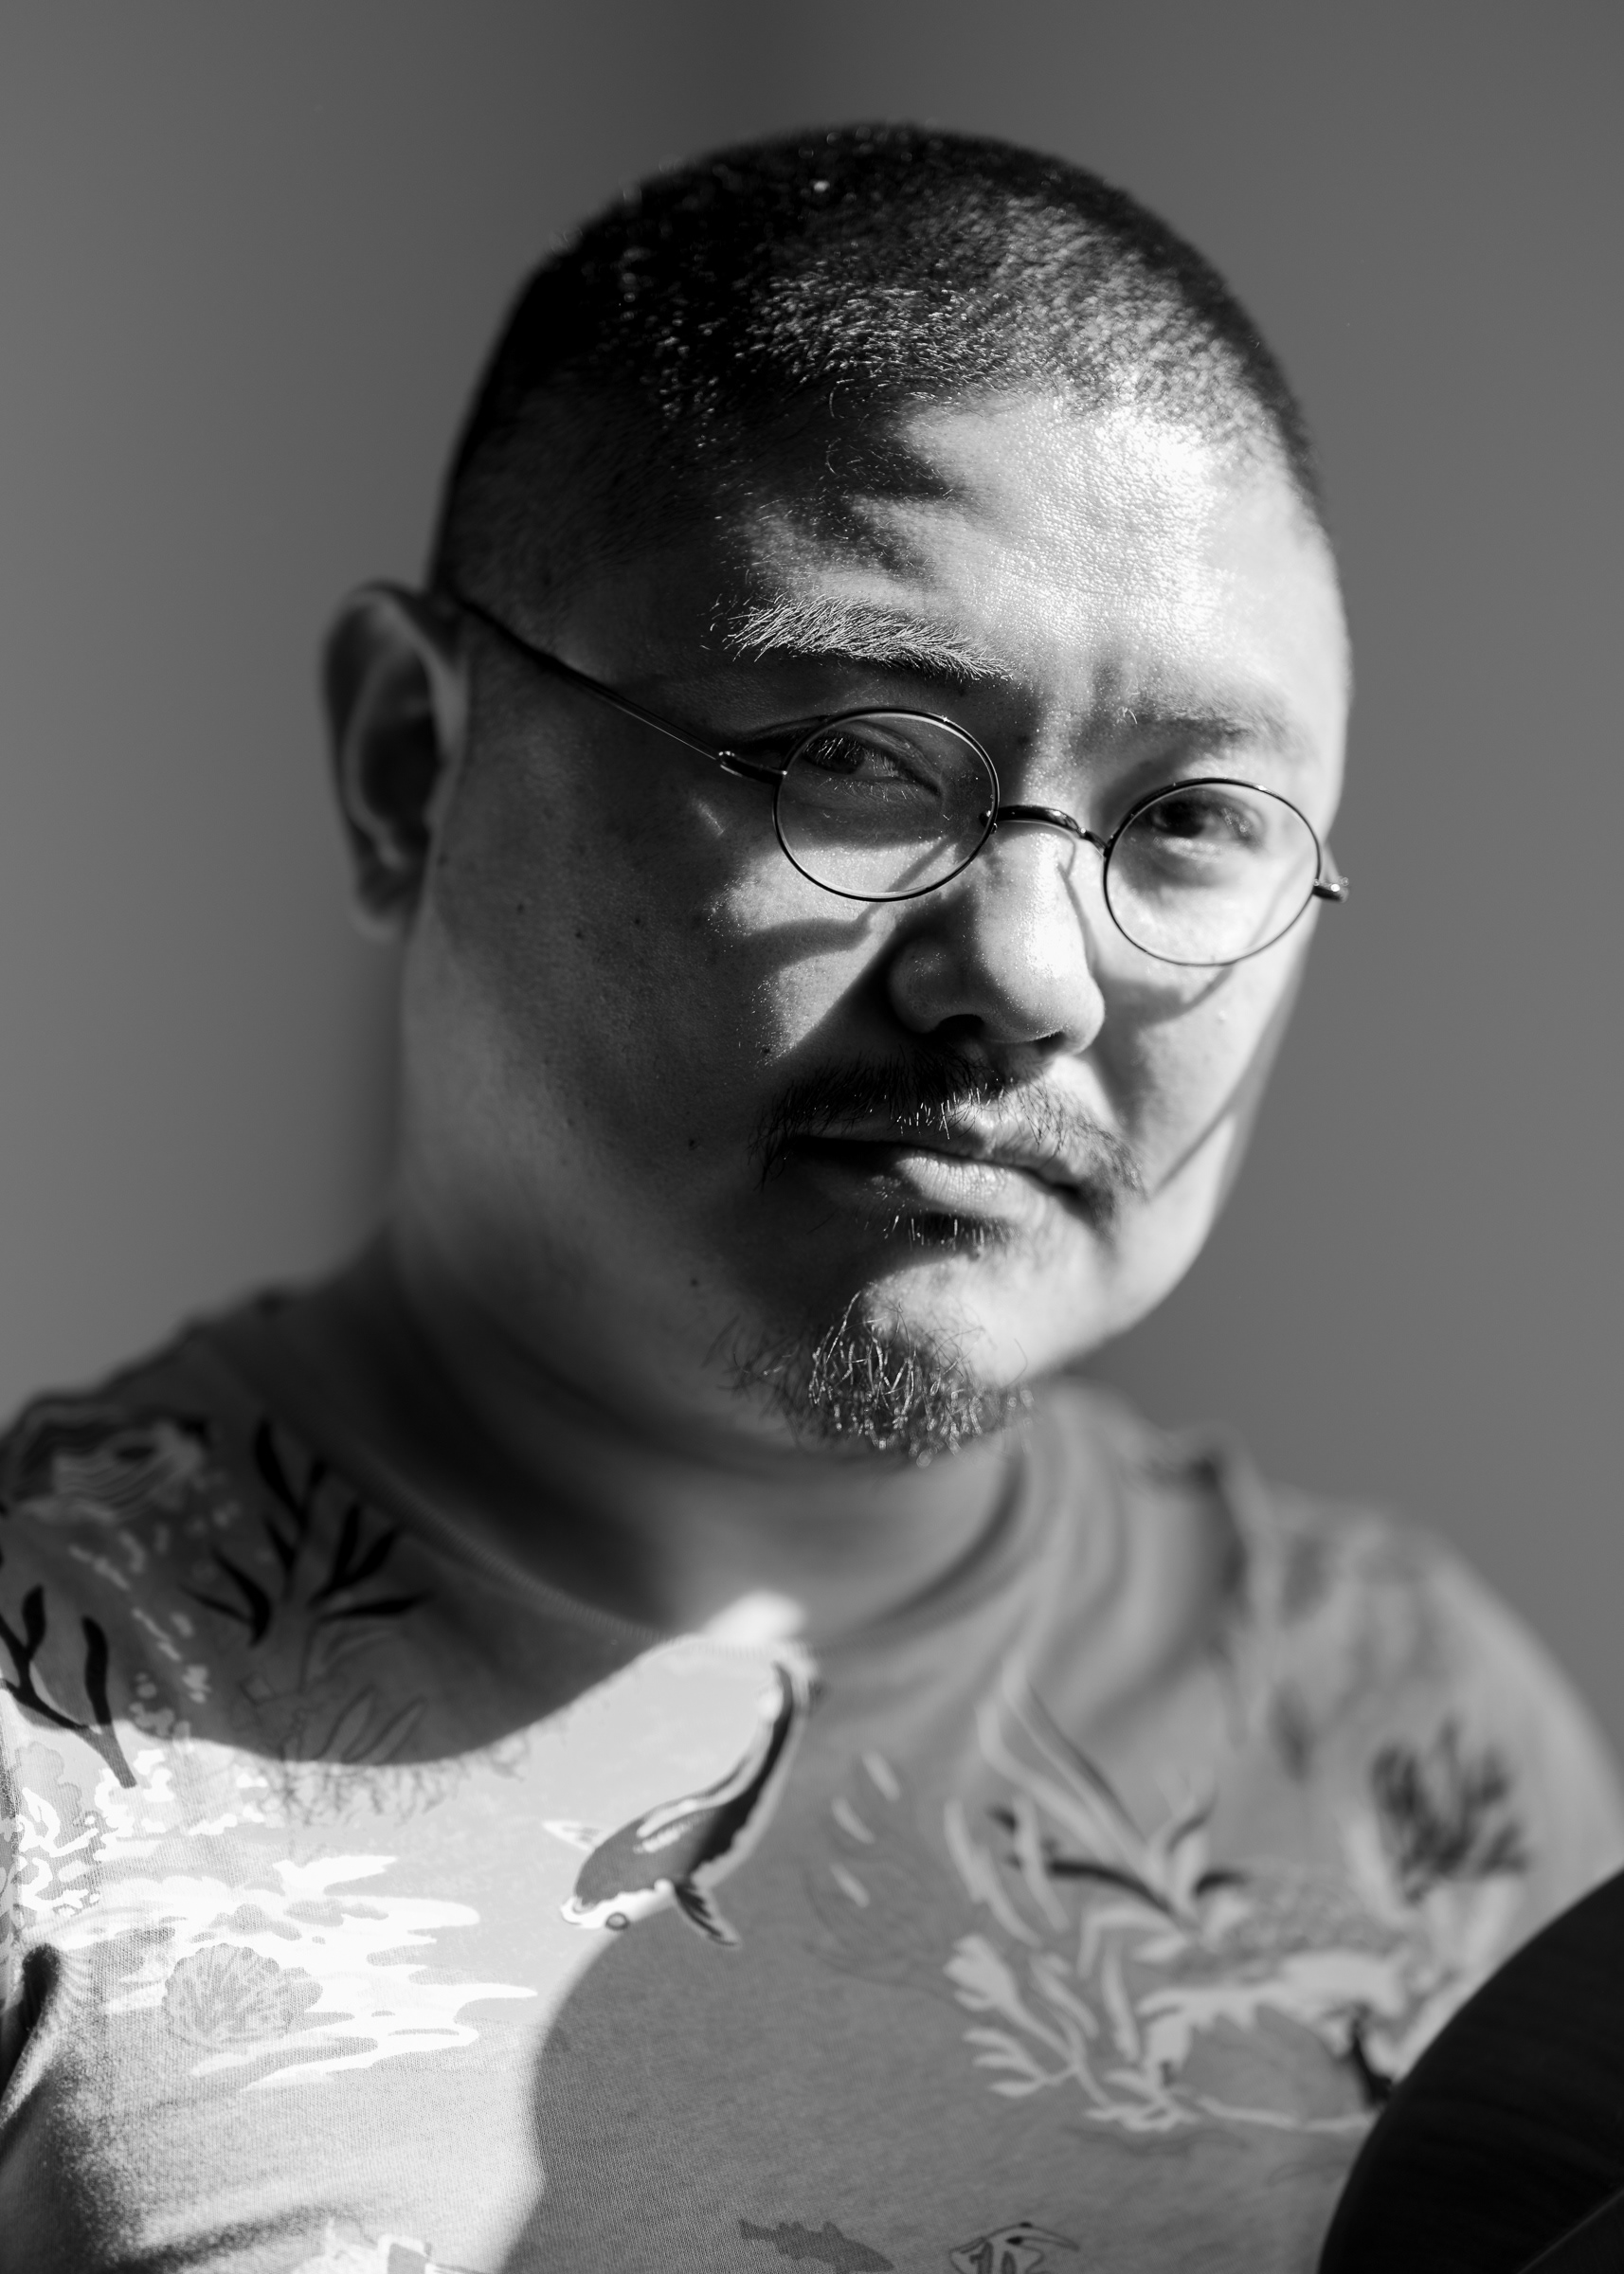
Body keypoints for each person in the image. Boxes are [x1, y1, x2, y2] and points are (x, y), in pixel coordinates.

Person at [0, 125, 1615, 2274]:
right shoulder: (47, 1752)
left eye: (1191, 821)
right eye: (853, 756)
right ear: (409, 760)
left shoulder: (1413, 1721)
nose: (1028, 976)